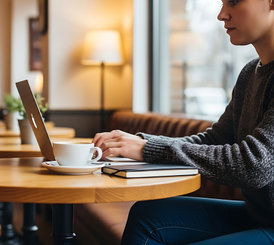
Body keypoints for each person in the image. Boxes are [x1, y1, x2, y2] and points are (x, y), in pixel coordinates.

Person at [93, 0, 274, 244]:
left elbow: (254, 165)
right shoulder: (250, 73)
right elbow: (214, 139)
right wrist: (141, 144)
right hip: (260, 216)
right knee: (148, 215)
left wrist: (147, 149)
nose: (222, 15)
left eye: (233, 1)